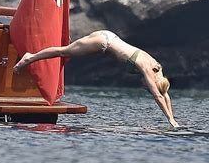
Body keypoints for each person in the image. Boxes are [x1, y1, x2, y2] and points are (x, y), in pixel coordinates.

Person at [14, 30, 180, 128]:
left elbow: (164, 93)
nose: (144, 85)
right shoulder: (147, 69)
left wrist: (173, 119)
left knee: (67, 52)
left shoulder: (158, 69)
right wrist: (169, 119)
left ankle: (37, 55)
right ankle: (30, 57)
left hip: (109, 36)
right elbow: (158, 96)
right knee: (63, 52)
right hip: (104, 43)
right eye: (146, 86)